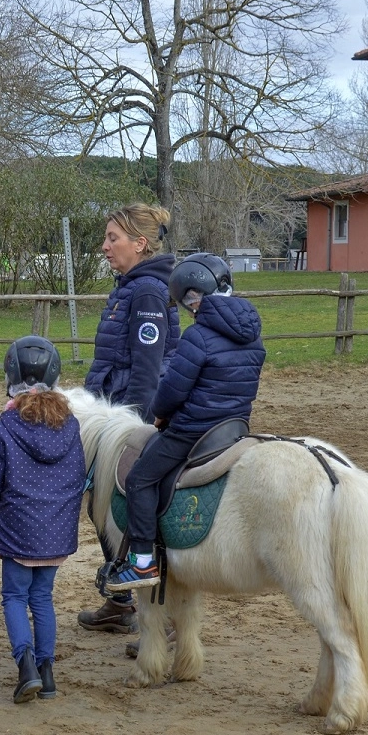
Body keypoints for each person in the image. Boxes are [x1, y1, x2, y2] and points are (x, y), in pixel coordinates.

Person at [102, 253, 265, 591]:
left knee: (139, 479)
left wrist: (160, 414)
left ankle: (143, 563)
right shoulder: (252, 332)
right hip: (233, 428)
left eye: (186, 300)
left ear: (194, 295)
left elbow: (172, 391)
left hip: (193, 431)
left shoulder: (198, 336)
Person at [78, 203, 181, 635]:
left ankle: (167, 613)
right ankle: (121, 602)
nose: (104, 247)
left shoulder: (147, 292)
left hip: (129, 418)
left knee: (129, 508)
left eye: (113, 239)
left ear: (140, 244)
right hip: (110, 409)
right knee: (102, 507)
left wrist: (136, 430)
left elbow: (147, 366)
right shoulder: (130, 287)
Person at [0, 336, 85, 703]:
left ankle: (26, 666)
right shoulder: (70, 427)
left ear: (11, 375)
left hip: (18, 530)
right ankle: (47, 672)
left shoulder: (5, 427)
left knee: (14, 597)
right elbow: (79, 476)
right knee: (43, 598)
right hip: (56, 531)